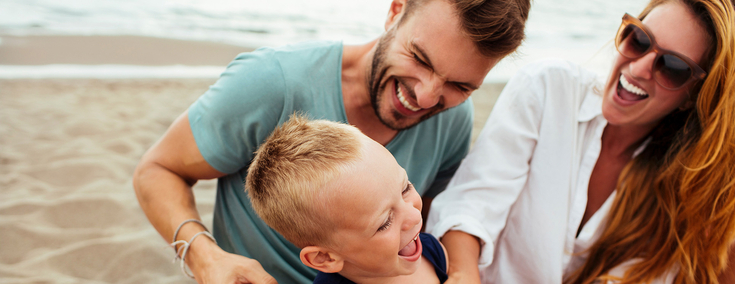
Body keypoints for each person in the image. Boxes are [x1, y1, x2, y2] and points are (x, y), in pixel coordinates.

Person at [132, 0, 530, 282]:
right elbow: (157, 170)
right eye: (420, 59)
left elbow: (423, 218)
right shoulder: (273, 82)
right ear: (395, 11)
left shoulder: (452, 118)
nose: (426, 97)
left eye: (460, 85)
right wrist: (206, 259)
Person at [426, 0, 735, 283]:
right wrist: (464, 275)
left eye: (672, 67)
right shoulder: (549, 88)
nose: (638, 68)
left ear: (692, 95)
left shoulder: (688, 187)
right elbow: (471, 206)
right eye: (639, 39)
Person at [246, 115, 448, 284]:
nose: (413, 215)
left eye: (405, 188)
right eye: (385, 223)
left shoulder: (428, 250)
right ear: (325, 257)